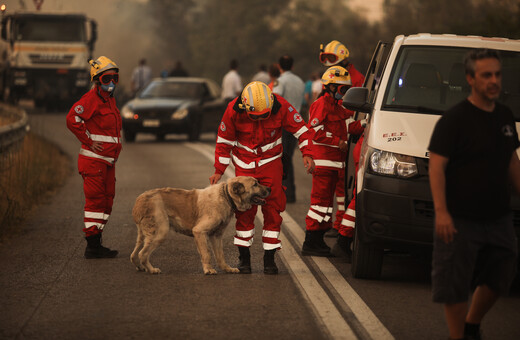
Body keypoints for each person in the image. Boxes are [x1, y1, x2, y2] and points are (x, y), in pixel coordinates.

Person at [428, 48, 520, 340]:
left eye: (497, 74)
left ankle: (472, 323)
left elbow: (511, 162)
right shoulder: (454, 120)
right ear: (470, 79)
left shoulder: (505, 117)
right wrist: (442, 212)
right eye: (486, 75)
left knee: (502, 273)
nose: (494, 80)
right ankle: (460, 336)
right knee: (454, 283)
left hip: (498, 217)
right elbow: (436, 168)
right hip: (460, 217)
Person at [210, 81, 315, 274]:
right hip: (244, 164)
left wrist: (307, 153)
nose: (259, 119)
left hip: (271, 163)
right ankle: (245, 259)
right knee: (244, 211)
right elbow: (224, 142)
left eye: (263, 116)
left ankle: (269, 259)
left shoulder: (281, 105)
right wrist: (219, 169)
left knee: (273, 209)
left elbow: (302, 130)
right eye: (255, 116)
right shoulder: (233, 109)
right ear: (244, 106)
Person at [302, 66, 364, 257]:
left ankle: (318, 240)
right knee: (319, 204)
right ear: (330, 87)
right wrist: (337, 141)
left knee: (326, 205)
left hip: (335, 165)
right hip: (324, 162)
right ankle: (311, 241)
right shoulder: (321, 104)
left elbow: (349, 128)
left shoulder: (339, 107)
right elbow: (315, 131)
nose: (344, 93)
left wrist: (366, 123)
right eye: (342, 89)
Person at [66, 56, 122, 259]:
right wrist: (88, 140)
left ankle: (96, 240)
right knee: (95, 202)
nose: (112, 83)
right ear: (97, 81)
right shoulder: (90, 100)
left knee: (107, 202)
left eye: (115, 78)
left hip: (107, 162)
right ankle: (92, 246)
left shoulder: (110, 100)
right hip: (93, 161)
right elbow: (72, 119)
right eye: (107, 79)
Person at [319, 40, 366, 259]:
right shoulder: (343, 77)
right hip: (341, 137)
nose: (327, 63)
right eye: (325, 59)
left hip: (348, 137)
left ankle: (338, 224)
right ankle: (335, 224)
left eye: (330, 58)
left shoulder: (355, 79)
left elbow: (349, 114)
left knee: (341, 186)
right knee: (337, 187)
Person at [272, 55, 305, 203]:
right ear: (292, 66)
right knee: (288, 157)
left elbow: (275, 100)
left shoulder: (280, 81)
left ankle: (286, 193)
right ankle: (289, 192)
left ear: (279, 66)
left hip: (283, 123)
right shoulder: (299, 81)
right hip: (296, 123)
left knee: (282, 157)